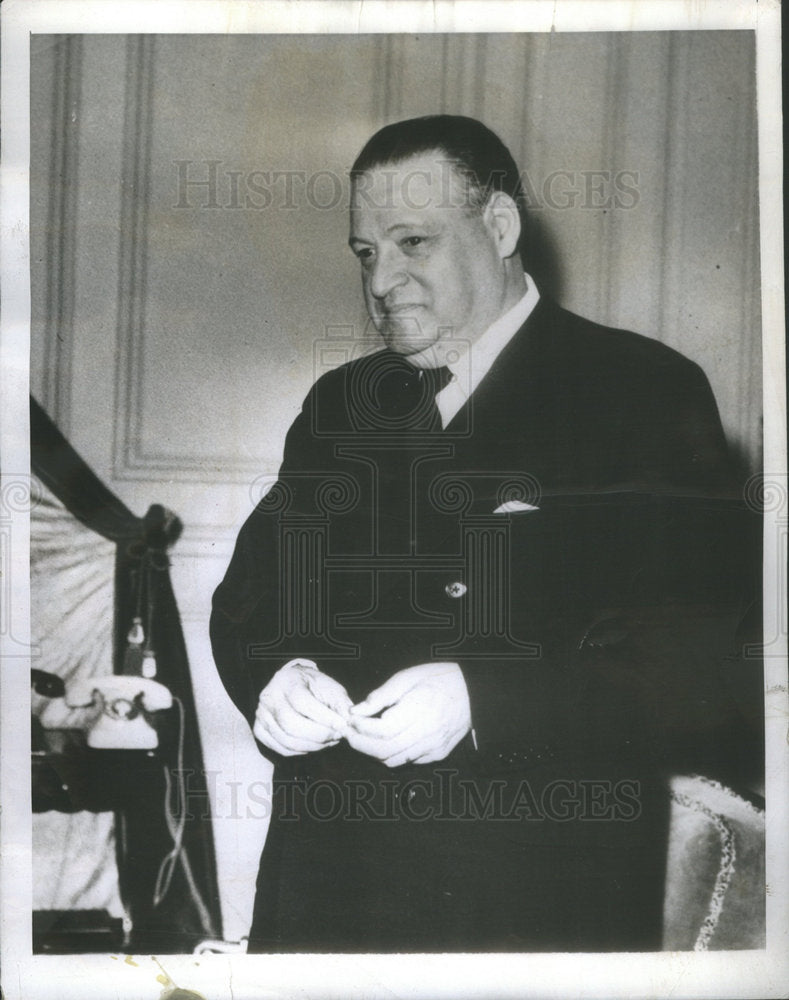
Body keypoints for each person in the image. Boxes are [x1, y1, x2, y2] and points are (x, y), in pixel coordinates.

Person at [211, 115, 758, 952]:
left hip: (529, 898)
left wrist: (485, 701)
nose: (382, 280)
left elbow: (703, 661)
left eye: (413, 243)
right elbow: (251, 600)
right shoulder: (339, 405)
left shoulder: (640, 390)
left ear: (499, 227)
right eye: (366, 253)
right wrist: (273, 676)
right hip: (328, 892)